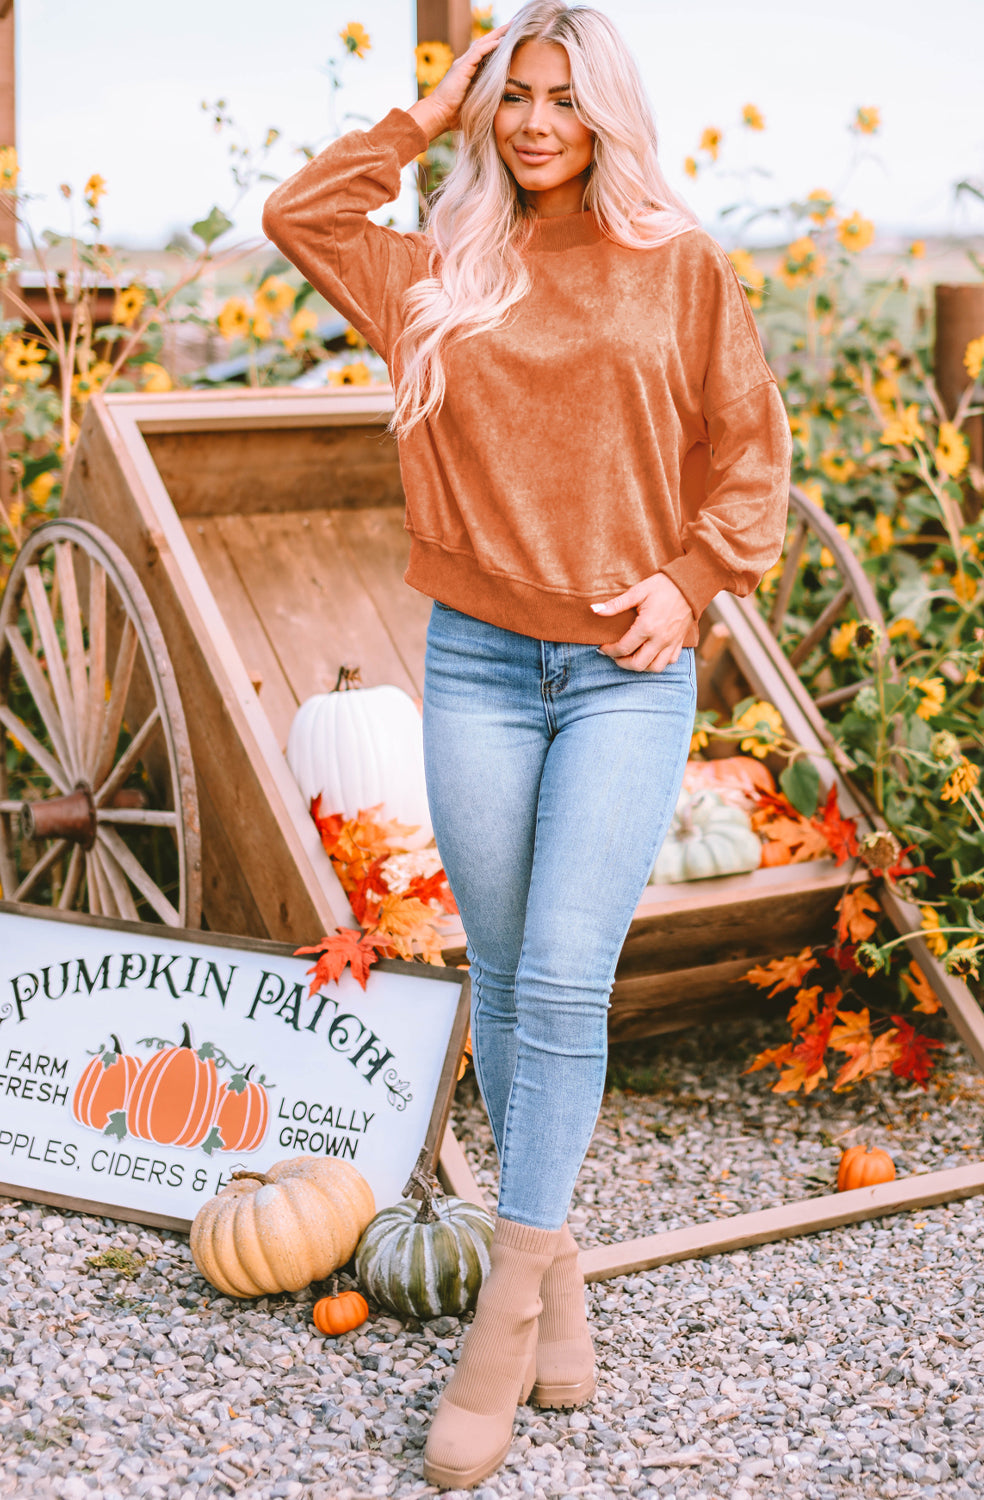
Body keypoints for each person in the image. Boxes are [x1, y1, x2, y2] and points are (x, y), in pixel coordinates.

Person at [263, 0, 791, 1487]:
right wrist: (431, 110)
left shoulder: (676, 264)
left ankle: (499, 1310)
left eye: (562, 95)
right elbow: (296, 209)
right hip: (480, 664)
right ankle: (561, 1299)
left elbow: (749, 450)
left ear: (605, 108)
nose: (538, 121)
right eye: (517, 97)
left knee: (561, 971)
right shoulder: (435, 269)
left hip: (624, 675)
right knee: (499, 977)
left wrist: (687, 584)